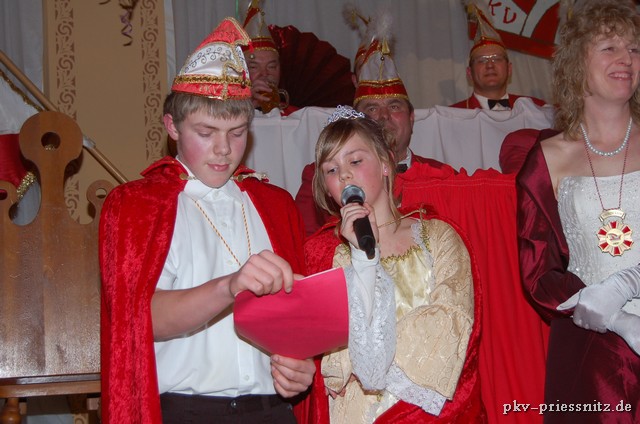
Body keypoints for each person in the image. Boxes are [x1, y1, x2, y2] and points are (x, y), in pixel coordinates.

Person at [99, 17, 314, 424]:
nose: (224, 149)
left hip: (271, 410)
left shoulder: (276, 205)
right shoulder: (137, 207)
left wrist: (300, 364)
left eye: (237, 132)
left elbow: (294, 316)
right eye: (206, 131)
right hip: (187, 410)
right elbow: (140, 319)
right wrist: (229, 286)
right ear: (172, 127)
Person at [301, 106, 484, 423]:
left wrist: (367, 360)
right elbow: (331, 358)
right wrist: (362, 258)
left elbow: (451, 324)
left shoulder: (436, 236)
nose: (343, 175)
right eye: (331, 169)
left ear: (385, 163)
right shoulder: (324, 255)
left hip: (421, 409)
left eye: (355, 161)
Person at [515, 1, 640, 422]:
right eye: (609, 47)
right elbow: (538, 273)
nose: (626, 59)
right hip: (592, 350)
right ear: (576, 62)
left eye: (634, 49)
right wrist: (611, 315)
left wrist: (629, 282)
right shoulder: (546, 159)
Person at [294, 22, 455, 236]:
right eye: (372, 108)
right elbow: (305, 240)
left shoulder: (443, 176)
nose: (383, 115)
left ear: (412, 118)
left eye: (394, 106)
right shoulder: (324, 176)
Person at [449, 3, 546, 111]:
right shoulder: (451, 115)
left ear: (509, 69)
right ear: (469, 73)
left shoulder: (538, 109)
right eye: (482, 60)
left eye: (496, 59)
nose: (490, 65)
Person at [242, 0, 296, 116]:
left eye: (271, 66)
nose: (265, 74)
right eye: (253, 67)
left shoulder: (296, 117)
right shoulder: (225, 115)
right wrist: (246, 106)